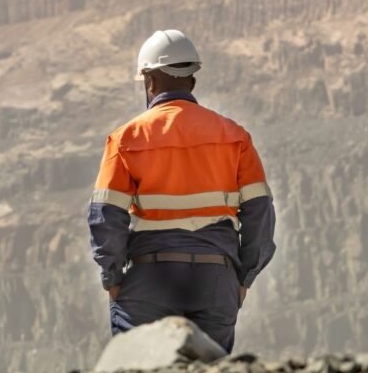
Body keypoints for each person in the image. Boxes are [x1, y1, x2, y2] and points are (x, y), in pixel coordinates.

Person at [87, 29, 276, 353]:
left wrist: (113, 278)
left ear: (149, 81)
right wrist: (243, 278)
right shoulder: (234, 136)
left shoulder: (126, 139)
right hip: (216, 279)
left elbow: (106, 217)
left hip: (151, 277)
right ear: (192, 80)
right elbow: (260, 214)